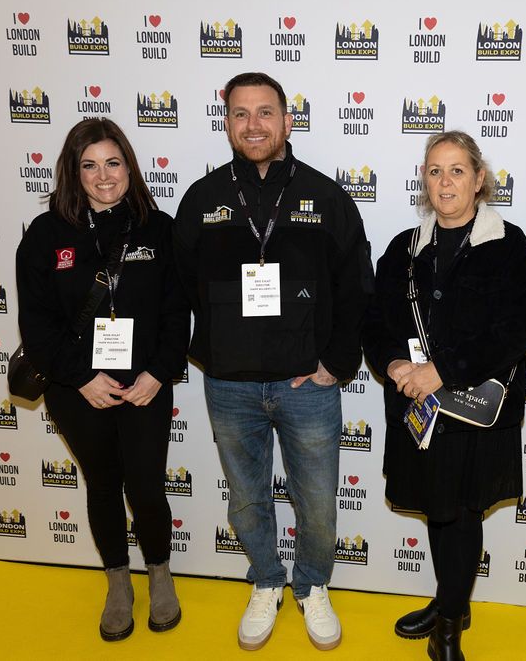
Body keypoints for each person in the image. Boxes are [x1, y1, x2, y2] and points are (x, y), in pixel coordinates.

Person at [173, 72, 372, 652]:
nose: (253, 125)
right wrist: (205, 353)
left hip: (307, 385)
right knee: (246, 499)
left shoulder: (326, 197)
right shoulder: (202, 198)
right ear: (227, 123)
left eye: (265, 112)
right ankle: (265, 580)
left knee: (318, 503)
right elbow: (179, 289)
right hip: (229, 386)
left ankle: (311, 585)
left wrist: (336, 363)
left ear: (287, 121)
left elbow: (357, 286)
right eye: (240, 114)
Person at [363, 131, 526, 661]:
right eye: (435, 171)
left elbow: (515, 331)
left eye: (457, 170)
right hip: (418, 409)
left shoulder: (508, 245)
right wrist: (394, 364)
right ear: (424, 179)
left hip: (475, 411)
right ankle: (451, 602)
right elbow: (375, 321)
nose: (445, 182)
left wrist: (441, 371)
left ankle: (447, 628)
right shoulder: (403, 248)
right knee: (437, 510)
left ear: (479, 179)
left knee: (462, 514)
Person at [16, 118, 189, 641]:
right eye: (89, 165)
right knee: (103, 484)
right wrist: (81, 379)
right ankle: (118, 582)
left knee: (146, 485)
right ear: (73, 173)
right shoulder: (45, 235)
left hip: (144, 387)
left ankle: (159, 573)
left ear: (129, 168)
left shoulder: (158, 229)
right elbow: (37, 326)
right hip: (76, 390)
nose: (104, 175)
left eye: (113, 163)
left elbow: (176, 313)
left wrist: (157, 373)